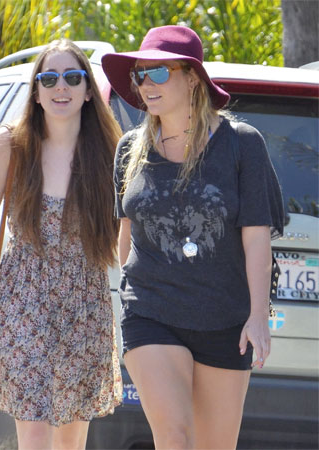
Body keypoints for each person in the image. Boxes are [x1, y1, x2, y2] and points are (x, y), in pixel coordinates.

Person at [101, 25, 284, 449]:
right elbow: (126, 237)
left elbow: (256, 237)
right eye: (140, 74)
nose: (146, 84)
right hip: (150, 312)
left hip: (224, 319)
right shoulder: (130, 149)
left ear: (192, 78)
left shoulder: (241, 144)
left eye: (158, 72)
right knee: (175, 437)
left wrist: (259, 315)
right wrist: (124, 299)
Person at [0, 39, 123, 449]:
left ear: (88, 91)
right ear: (36, 92)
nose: (60, 87)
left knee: (71, 441)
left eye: (72, 78)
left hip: (84, 306)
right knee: (33, 436)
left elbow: (126, 238)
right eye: (49, 79)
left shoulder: (109, 151)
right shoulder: (11, 145)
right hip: (24, 302)